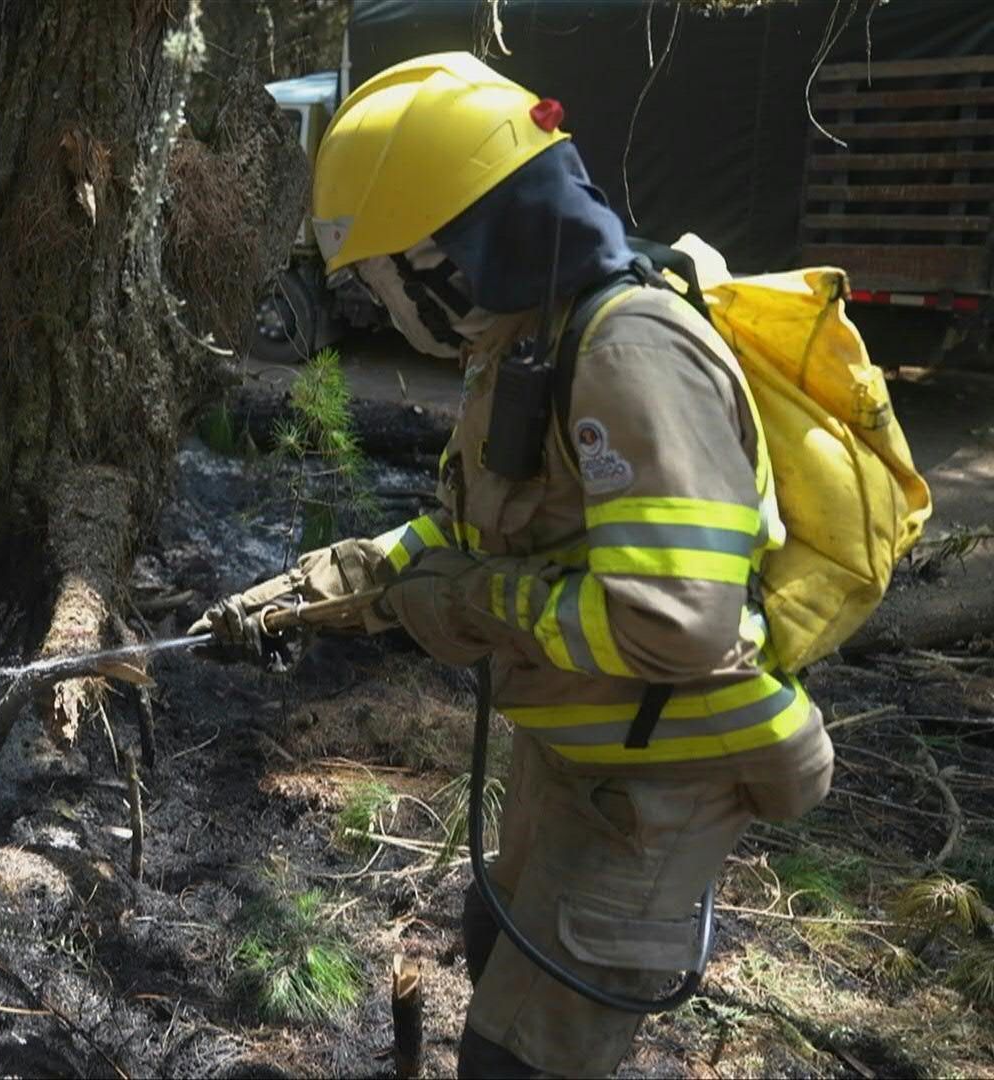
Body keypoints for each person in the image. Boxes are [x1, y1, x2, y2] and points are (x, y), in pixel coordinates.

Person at [195, 53, 833, 1077]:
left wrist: (461, 606)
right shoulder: (529, 342)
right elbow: (489, 537)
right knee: (493, 938)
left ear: (447, 253)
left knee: (520, 1061)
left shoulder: (629, 353)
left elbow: (679, 619)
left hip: (656, 784)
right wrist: (320, 594)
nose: (375, 302)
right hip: (581, 757)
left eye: (376, 274)